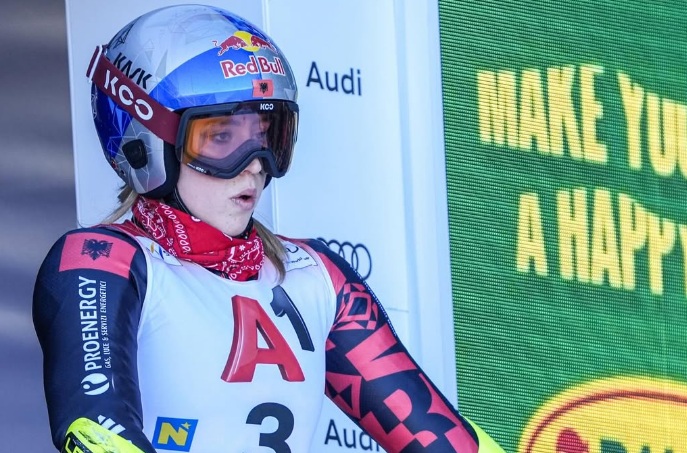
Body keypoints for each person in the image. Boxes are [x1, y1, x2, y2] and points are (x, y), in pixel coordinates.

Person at [32, 4, 506, 453]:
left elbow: (444, 440)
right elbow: (96, 430)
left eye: (267, 136)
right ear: (145, 144)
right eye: (222, 138)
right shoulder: (100, 261)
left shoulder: (318, 275)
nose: (256, 165)